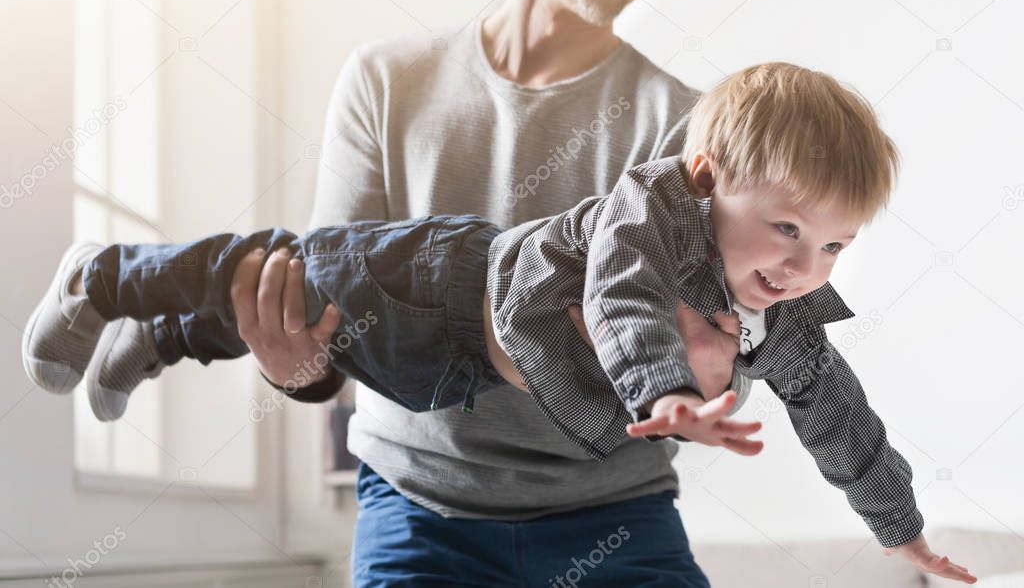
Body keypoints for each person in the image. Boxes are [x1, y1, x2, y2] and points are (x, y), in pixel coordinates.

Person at [24, 63, 976, 582]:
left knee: (274, 310)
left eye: (835, 248)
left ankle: (161, 339)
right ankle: (107, 280)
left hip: (451, 380)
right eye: (785, 230)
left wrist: (900, 527)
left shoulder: (788, 309)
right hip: (430, 286)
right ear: (705, 179)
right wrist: (672, 392)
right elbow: (623, 298)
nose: (803, 269)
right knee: (275, 271)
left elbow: (838, 414)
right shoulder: (647, 209)